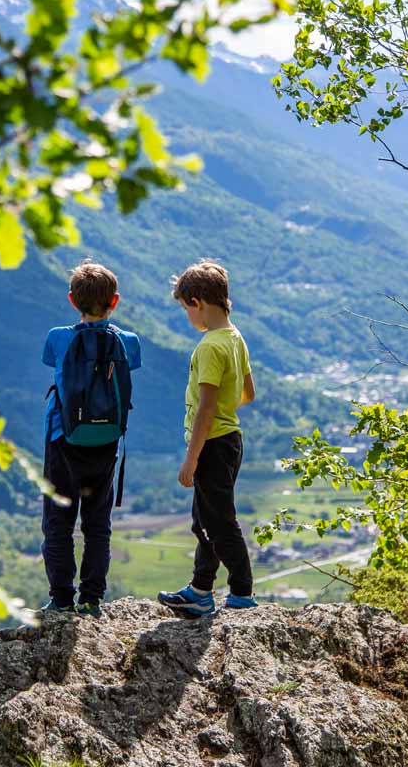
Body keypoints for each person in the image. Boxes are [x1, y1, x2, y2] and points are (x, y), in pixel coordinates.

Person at [40, 260, 141, 618]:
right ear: (115, 301)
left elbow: (51, 361)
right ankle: (92, 599)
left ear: (72, 300)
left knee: (58, 522)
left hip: (62, 439)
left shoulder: (58, 337)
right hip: (107, 442)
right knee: (97, 524)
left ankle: (61, 599)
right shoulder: (128, 342)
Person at [157, 260, 258, 617]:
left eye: (186, 308)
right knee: (204, 522)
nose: (187, 316)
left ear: (197, 302)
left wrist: (191, 458)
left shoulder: (209, 347)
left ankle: (242, 592)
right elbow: (248, 392)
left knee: (219, 523)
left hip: (212, 443)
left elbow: (205, 410)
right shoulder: (235, 338)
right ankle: (201, 589)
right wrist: (226, 411)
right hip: (230, 438)